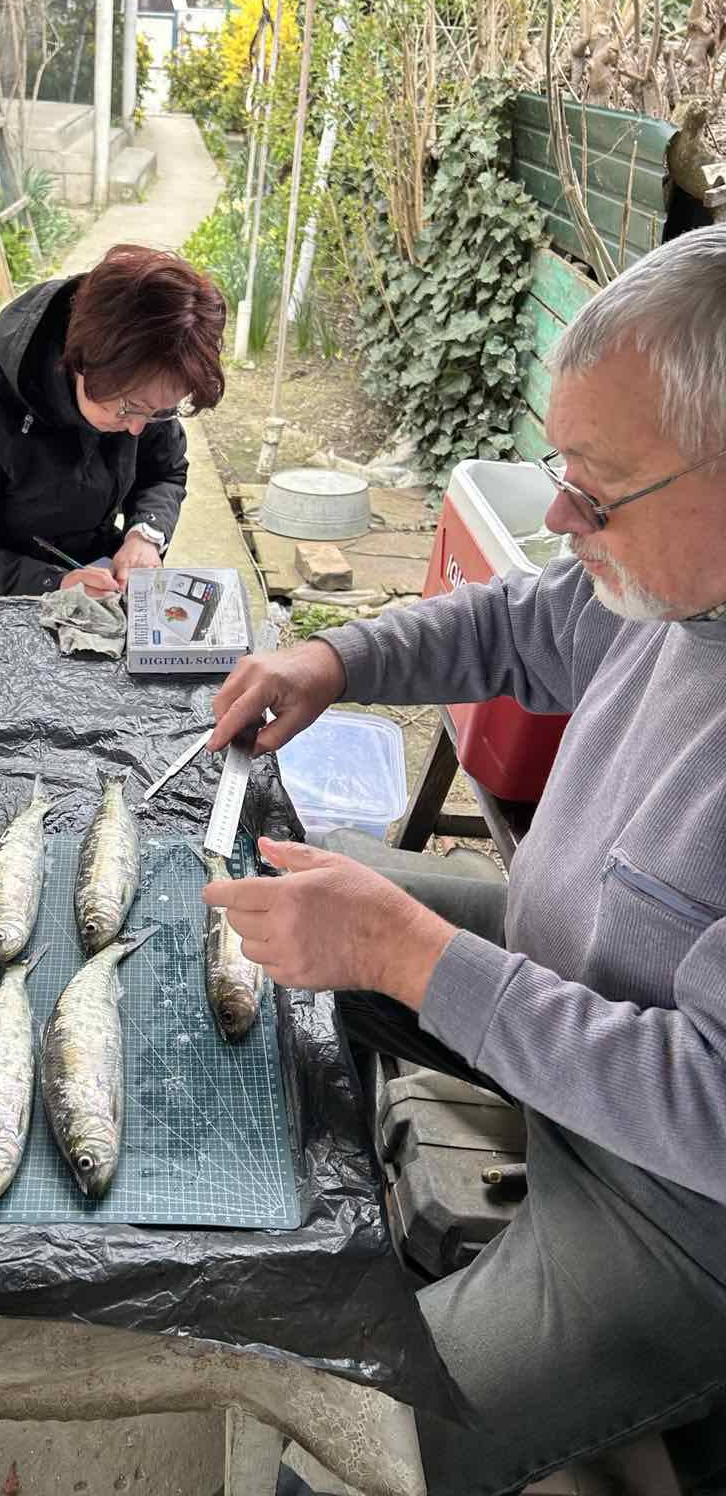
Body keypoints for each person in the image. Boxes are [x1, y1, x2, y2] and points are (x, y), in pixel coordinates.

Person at [204, 225, 726, 1496]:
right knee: (285, 892)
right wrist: (334, 659)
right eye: (561, 471)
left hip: (674, 1211)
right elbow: (523, 619)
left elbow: (709, 1106)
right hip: (571, 993)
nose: (561, 516)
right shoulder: (677, 582)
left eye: (599, 490)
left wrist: (415, 958)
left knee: (342, 1444)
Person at [0, 243, 226, 597]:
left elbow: (164, 471)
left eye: (160, 411)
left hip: (99, 573)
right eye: (129, 409)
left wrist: (145, 534)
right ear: (81, 363)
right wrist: (54, 583)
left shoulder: (143, 394)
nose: (137, 429)